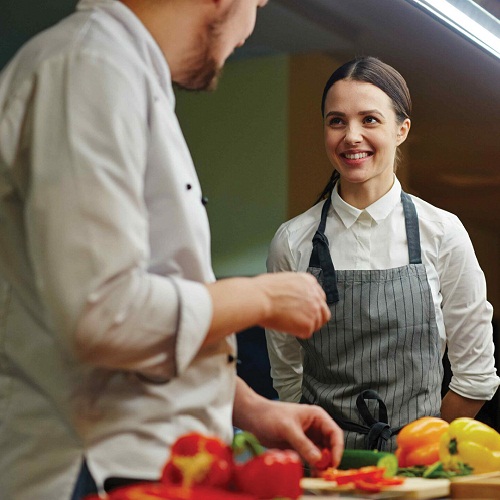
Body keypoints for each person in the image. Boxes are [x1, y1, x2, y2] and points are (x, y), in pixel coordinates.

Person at [0, 1, 345, 498]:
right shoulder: (90, 66)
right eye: (258, 4)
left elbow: (147, 324)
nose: (251, 26)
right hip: (89, 470)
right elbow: (104, 314)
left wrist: (250, 408)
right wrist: (261, 298)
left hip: (151, 463)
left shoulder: (125, 72)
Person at [265, 56, 500, 452]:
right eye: (336, 121)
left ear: (401, 129)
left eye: (369, 120)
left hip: (418, 471)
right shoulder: (292, 242)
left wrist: (422, 448)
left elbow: (476, 376)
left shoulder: (443, 234)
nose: (351, 136)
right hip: (322, 470)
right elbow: (288, 376)